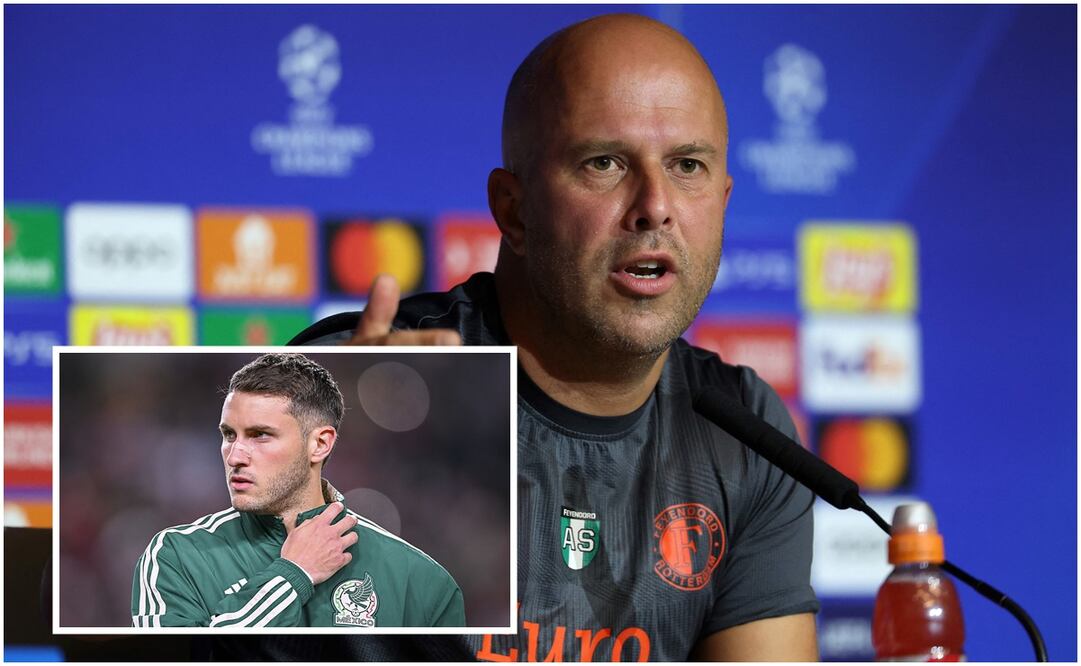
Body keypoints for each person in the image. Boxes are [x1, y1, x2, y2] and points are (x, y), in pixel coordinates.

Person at [276, 12, 817, 660]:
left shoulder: (742, 432)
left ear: (723, 200)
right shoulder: (358, 381)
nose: (655, 204)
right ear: (513, 209)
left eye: (687, 166)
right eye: (605, 162)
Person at [130, 352, 465, 628]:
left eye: (260, 435)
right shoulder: (176, 557)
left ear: (319, 444)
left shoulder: (422, 583)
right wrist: (292, 575)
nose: (235, 456)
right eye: (229, 435)